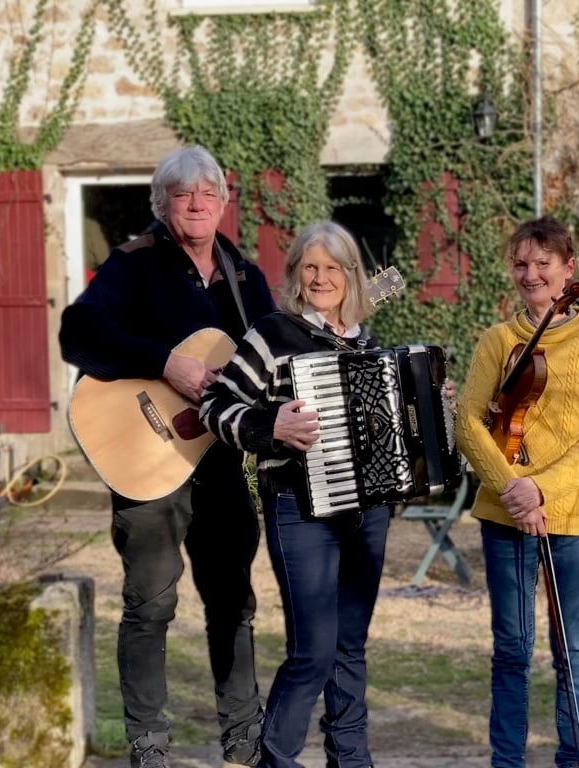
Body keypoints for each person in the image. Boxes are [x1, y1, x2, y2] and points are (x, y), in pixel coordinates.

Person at [60, 146, 275, 768]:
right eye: (184, 194)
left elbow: (277, 362)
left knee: (232, 601)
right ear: (163, 204)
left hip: (219, 464)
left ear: (223, 203)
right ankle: (148, 745)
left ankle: (243, 738)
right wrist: (163, 364)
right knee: (150, 605)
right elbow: (80, 332)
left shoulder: (246, 279)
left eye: (209, 192)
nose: (198, 202)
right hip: (146, 458)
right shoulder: (133, 265)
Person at [199, 221, 391, 768]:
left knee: (350, 649)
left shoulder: (367, 342)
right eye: (311, 266)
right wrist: (271, 427)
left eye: (334, 267)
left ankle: (351, 761)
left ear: (352, 276)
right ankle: (275, 761)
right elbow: (215, 407)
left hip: (367, 511)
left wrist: (425, 402)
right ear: (296, 275)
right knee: (312, 651)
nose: (322, 277)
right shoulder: (271, 333)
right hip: (300, 510)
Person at [456, 216, 579, 768]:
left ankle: (573, 759)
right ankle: (507, 762)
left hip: (574, 516)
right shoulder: (498, 340)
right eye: (521, 264)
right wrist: (515, 491)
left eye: (543, 263)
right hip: (505, 513)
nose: (530, 274)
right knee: (511, 650)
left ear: (568, 268)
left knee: (571, 651)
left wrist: (541, 490)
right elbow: (467, 423)